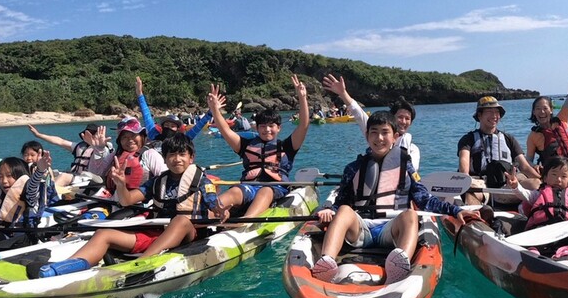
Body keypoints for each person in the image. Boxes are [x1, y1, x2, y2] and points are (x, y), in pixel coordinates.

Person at [311, 111, 480, 284]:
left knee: (410, 214)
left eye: (385, 132)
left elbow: (425, 200)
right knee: (345, 210)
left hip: (392, 231)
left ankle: (400, 264)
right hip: (361, 230)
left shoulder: (406, 168)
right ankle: (327, 262)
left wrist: (455, 210)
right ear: (367, 136)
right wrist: (329, 210)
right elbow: (341, 202)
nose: (379, 138)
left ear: (395, 137)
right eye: (374, 132)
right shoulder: (353, 168)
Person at [30, 133, 221, 277]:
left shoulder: (202, 181)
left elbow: (214, 203)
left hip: (190, 234)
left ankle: (142, 263)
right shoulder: (157, 182)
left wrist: (219, 210)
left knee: (180, 220)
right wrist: (121, 184)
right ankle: (64, 267)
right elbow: (127, 200)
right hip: (159, 233)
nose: (176, 159)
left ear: (191, 158)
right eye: (171, 154)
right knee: (104, 234)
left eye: (182, 154)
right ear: (165, 158)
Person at [207, 75, 310, 220]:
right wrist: (214, 109)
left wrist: (302, 98)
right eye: (262, 126)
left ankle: (245, 222)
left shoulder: (287, 146)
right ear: (257, 127)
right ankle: (207, 217)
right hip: (249, 187)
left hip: (275, 188)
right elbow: (225, 130)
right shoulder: (245, 145)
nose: (267, 129)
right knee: (235, 191)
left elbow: (303, 125)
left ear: (278, 128)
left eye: (271, 126)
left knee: (266, 191)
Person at [322, 73, 421, 171]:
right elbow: (359, 114)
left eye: (407, 119)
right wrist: (343, 93)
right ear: (391, 117)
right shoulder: (376, 133)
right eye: (400, 117)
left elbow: (411, 170)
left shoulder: (412, 150)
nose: (403, 121)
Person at [457, 96, 541, 206]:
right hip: (480, 184)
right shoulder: (468, 139)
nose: (494, 116)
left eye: (497, 112)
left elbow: (524, 167)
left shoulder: (509, 139)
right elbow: (464, 168)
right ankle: (476, 218)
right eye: (489, 112)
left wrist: (544, 180)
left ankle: (540, 214)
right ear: (479, 115)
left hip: (506, 185)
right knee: (471, 192)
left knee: (536, 184)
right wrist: (464, 182)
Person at [526, 55, 568, 166]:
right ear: (533, 112)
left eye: (545, 108)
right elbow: (528, 160)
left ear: (551, 110)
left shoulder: (562, 119)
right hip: (555, 174)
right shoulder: (533, 136)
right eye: (538, 109)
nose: (542, 112)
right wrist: (535, 167)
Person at [86, 116, 166, 194]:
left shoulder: (149, 154)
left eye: (133, 135)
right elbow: (96, 174)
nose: (130, 140)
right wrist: (99, 150)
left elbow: (165, 178)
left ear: (142, 136)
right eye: (124, 137)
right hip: (114, 201)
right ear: (120, 141)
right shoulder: (115, 155)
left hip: (141, 203)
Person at [135, 76, 214, 141]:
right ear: (162, 127)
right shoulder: (154, 135)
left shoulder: (182, 141)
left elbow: (198, 126)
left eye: (172, 126)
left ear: (177, 129)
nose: (169, 128)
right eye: (167, 125)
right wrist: (139, 94)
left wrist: (212, 111)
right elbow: (146, 115)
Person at [28, 123, 108, 175]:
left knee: (64, 176)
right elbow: (60, 141)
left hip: (90, 179)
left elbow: (102, 159)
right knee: (52, 172)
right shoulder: (79, 147)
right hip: (75, 176)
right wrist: (38, 135)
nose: (90, 136)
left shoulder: (104, 148)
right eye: (88, 134)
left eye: (93, 134)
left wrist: (97, 146)